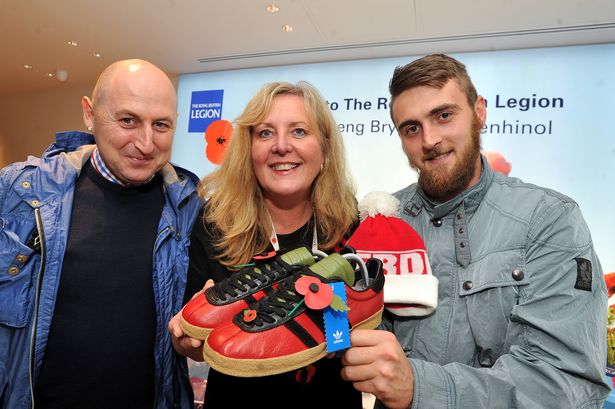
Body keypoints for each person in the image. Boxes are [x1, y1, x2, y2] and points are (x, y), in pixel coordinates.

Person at [340, 54, 609, 408]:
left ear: (479, 111)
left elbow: (565, 382)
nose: (430, 139)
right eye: (411, 128)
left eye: (444, 115)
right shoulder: (380, 224)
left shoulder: (548, 219)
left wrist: (420, 387)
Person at [0, 59, 201, 409]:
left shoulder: (188, 208)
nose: (146, 143)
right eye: (128, 120)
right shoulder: (19, 193)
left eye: (162, 125)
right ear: (90, 115)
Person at [168, 81, 362, 408]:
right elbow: (187, 334)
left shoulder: (352, 223)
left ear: (325, 149)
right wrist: (188, 340)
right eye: (266, 133)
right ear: (249, 148)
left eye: (299, 131)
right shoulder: (215, 225)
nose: (282, 146)